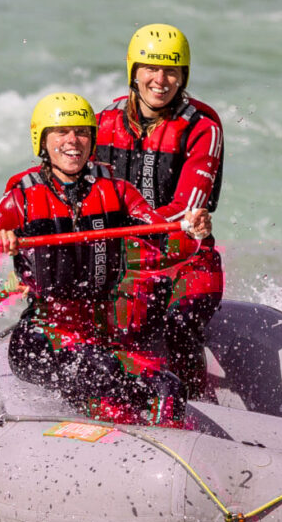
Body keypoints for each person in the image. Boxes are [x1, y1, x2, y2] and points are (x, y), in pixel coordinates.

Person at [0, 91, 211, 428]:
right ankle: (116, 444)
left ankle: (168, 457)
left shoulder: (119, 193)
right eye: (61, 132)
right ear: (42, 140)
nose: (73, 141)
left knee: (169, 387)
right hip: (41, 338)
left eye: (82, 132)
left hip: (101, 335)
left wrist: (192, 233)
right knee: (101, 372)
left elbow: (169, 246)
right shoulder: (19, 199)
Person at [93, 24, 225, 398]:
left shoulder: (203, 126)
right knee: (105, 324)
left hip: (185, 257)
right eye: (150, 68)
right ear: (133, 72)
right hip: (123, 258)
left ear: (184, 76)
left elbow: (187, 209)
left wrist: (125, 229)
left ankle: (199, 400)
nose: (160, 79)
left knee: (180, 323)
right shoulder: (102, 122)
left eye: (172, 70)